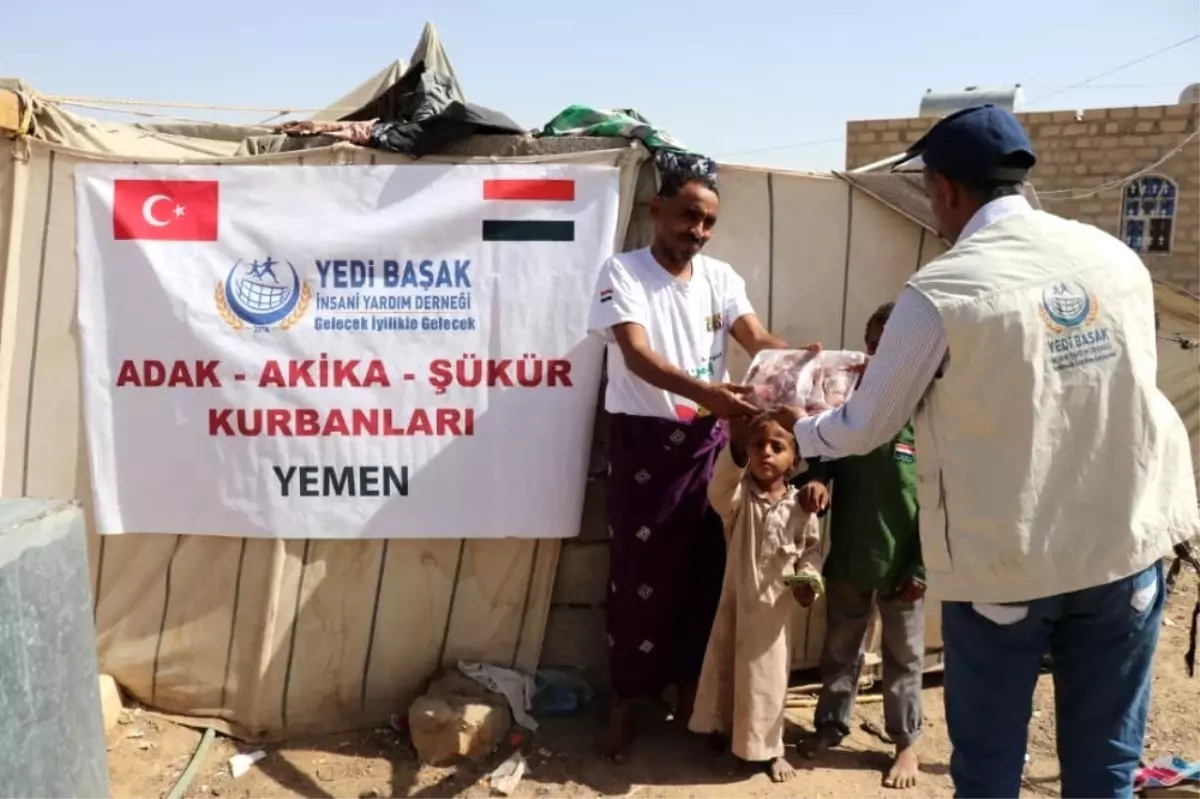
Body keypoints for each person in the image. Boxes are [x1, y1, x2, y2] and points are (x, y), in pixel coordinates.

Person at [774, 105, 1200, 799]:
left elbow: (868, 425)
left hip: (1009, 568)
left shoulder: (942, 290)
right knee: (1105, 770)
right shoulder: (1114, 258)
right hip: (1124, 553)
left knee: (990, 771)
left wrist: (801, 435)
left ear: (945, 189)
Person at [586, 150, 806, 760]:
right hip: (644, 446)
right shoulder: (622, 272)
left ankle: (696, 699)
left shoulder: (721, 277)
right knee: (637, 578)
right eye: (688, 217)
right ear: (656, 210)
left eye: (708, 222)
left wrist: (794, 365)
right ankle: (627, 701)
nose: (698, 232)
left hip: (711, 446)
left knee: (708, 572)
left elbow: (755, 338)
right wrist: (708, 392)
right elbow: (635, 355)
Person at [797, 301, 925, 790]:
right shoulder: (848, 402)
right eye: (872, 342)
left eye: (888, 344)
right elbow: (821, 449)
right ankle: (830, 727)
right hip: (851, 554)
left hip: (905, 566)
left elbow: (939, 499)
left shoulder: (927, 409)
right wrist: (818, 479)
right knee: (840, 648)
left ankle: (906, 744)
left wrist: (923, 567)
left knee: (905, 657)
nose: (876, 352)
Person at [687, 412, 824, 783]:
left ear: (793, 460)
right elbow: (718, 490)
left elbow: (811, 552)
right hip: (737, 605)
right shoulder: (739, 498)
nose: (765, 453)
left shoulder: (802, 505)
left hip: (774, 616)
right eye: (757, 445)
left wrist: (807, 583)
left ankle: (771, 750)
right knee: (732, 675)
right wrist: (736, 442)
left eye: (777, 447)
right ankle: (734, 744)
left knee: (770, 681)